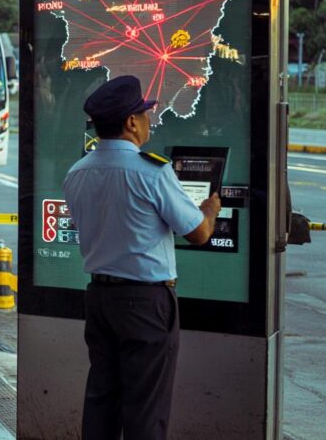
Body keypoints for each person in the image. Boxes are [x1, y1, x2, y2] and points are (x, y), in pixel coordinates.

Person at [62, 75, 221, 440]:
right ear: (131, 122)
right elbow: (198, 233)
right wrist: (209, 210)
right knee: (146, 407)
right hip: (146, 303)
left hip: (100, 299)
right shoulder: (152, 171)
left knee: (102, 399)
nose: (150, 120)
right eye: (146, 114)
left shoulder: (77, 173)